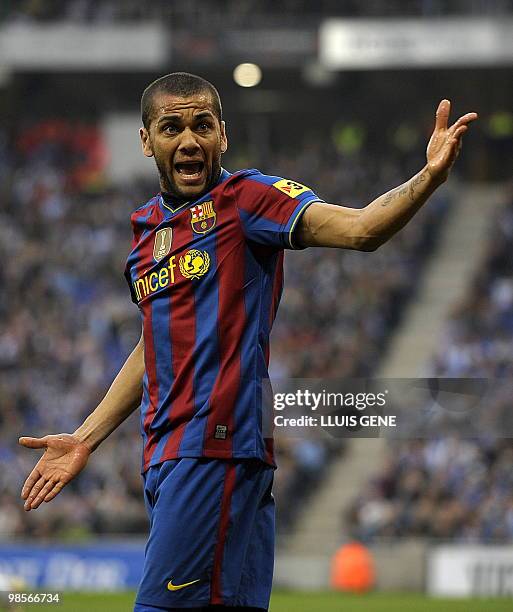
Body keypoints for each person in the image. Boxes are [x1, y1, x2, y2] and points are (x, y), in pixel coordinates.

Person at [18, 72, 477, 611]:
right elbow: (155, 345)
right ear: (147, 141)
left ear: (223, 136)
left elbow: (360, 229)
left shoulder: (247, 198)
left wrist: (427, 176)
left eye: (201, 125)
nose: (189, 140)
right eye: (171, 127)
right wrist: (85, 438)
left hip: (213, 449)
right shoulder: (145, 232)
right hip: (169, 456)